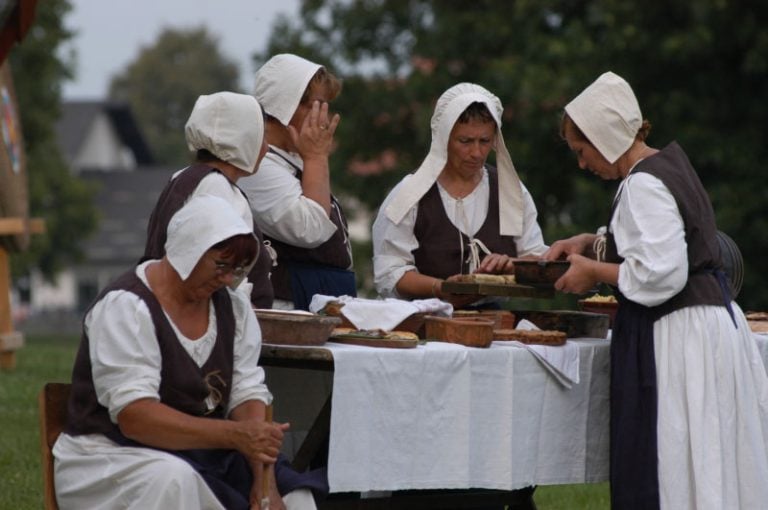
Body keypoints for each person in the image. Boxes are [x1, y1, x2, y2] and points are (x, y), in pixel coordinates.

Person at [543, 71, 768, 509]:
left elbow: (662, 272)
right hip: (705, 328)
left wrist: (593, 271)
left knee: (678, 462)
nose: (582, 163)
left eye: (582, 149)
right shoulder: (667, 165)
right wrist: (591, 243)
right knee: (708, 459)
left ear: (604, 136)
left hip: (680, 341)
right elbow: (659, 240)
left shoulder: (643, 183)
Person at [53, 195, 329, 510]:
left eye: (236, 268)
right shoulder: (126, 308)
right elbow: (135, 418)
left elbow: (246, 392)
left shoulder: (234, 308)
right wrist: (235, 436)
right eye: (221, 265)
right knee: (173, 480)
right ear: (188, 250)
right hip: (113, 458)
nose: (227, 278)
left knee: (296, 496)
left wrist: (263, 482)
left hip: (206, 455)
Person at [372, 82, 548, 309]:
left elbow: (540, 262)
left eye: (484, 141)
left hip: (492, 322)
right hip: (425, 320)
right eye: (465, 141)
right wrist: (441, 288)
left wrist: (512, 265)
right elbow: (390, 273)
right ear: (444, 138)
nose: (476, 153)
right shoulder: (410, 195)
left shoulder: (510, 191)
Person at [239, 53, 355, 311]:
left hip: (317, 301)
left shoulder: (293, 160)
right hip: (288, 307)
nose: (324, 119)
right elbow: (310, 229)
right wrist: (316, 157)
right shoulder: (258, 167)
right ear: (287, 104)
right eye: (319, 105)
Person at [143, 91, 275, 309]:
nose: (267, 147)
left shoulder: (186, 177)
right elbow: (217, 271)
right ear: (242, 138)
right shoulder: (215, 188)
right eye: (262, 136)